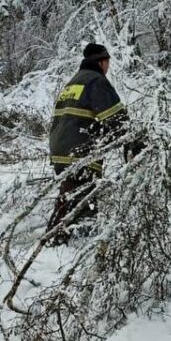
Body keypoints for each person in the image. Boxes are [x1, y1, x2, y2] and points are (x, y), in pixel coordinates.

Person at [46, 43, 132, 244]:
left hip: (60, 149)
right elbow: (116, 118)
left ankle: (63, 238)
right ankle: (65, 241)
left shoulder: (73, 82)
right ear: (101, 62)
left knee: (72, 194)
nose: (108, 67)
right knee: (82, 199)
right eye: (108, 62)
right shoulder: (96, 81)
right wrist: (132, 143)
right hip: (79, 151)